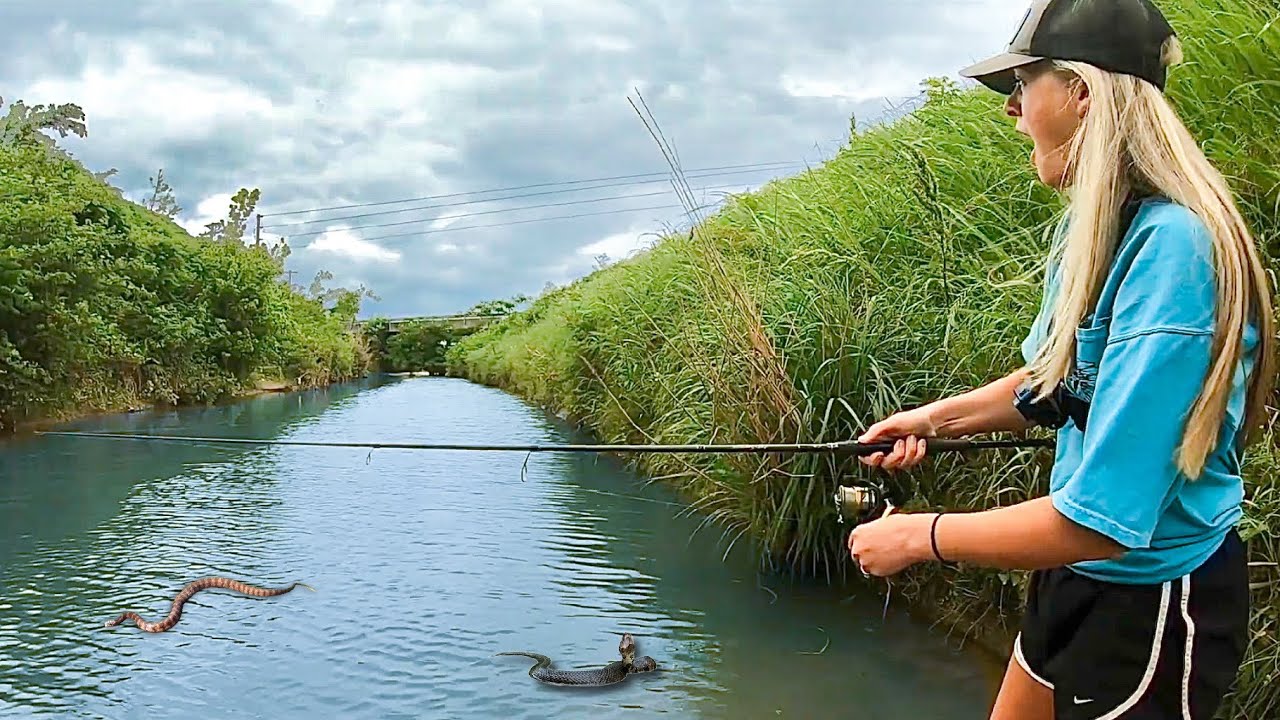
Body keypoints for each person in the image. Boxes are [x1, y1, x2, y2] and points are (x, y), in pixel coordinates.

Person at [844, 0, 1275, 718]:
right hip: (1069, 571)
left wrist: (920, 537)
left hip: (1149, 600)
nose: (1012, 111)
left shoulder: (1176, 254)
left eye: (1023, 86)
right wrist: (934, 419)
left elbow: (1103, 520)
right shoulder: (1097, 230)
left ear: (1081, 91)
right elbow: (1055, 380)